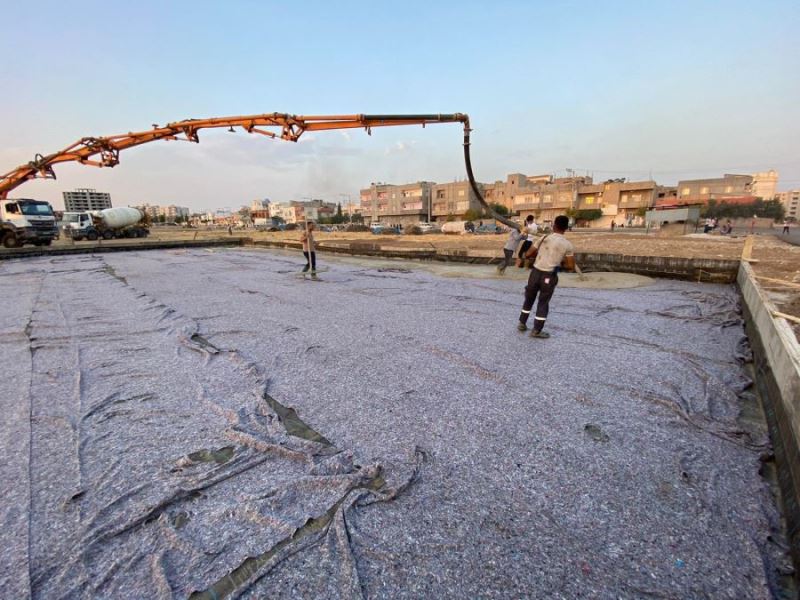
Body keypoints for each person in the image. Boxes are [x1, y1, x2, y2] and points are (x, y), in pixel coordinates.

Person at [516, 215, 575, 339]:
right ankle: (536, 331)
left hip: (535, 273)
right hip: (549, 276)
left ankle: (522, 323)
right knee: (543, 302)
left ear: (554, 226)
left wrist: (537, 255)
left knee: (529, 298)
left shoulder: (544, 238)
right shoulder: (568, 245)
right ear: (566, 228)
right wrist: (560, 263)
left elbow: (529, 253)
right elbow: (571, 266)